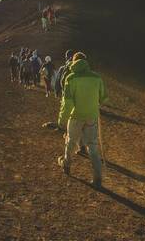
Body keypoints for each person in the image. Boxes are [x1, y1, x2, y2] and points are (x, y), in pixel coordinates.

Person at [57, 52, 108, 189]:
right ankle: (97, 178)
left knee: (71, 141)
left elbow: (67, 103)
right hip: (91, 116)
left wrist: (62, 119)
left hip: (75, 116)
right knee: (92, 146)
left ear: (74, 62)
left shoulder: (70, 78)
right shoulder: (96, 77)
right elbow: (103, 97)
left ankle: (66, 165)